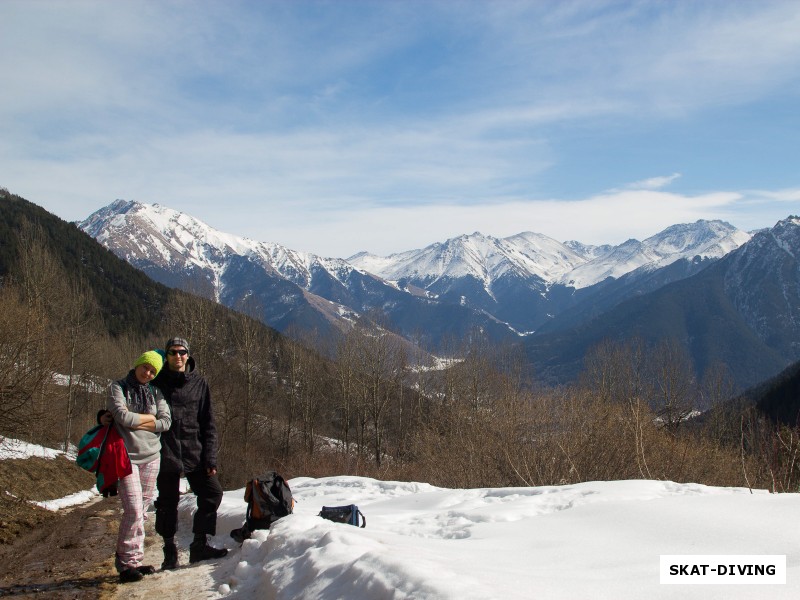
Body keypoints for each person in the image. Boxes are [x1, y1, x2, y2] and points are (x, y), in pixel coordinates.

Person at [152, 337, 228, 569]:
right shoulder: (156, 381)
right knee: (167, 503)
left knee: (212, 493)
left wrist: (210, 457)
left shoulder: (199, 383)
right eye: (173, 352)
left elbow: (208, 423)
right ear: (166, 356)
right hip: (166, 450)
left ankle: (199, 545)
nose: (178, 356)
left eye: (182, 352)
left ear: (188, 355)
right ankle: (169, 550)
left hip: (195, 450)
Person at [105, 350, 172, 583]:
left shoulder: (155, 392)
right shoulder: (118, 387)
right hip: (126, 457)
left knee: (142, 511)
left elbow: (166, 422)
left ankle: (134, 560)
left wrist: (139, 420)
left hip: (152, 456)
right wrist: (150, 421)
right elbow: (122, 417)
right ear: (138, 364)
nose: (148, 373)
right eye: (145, 367)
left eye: (153, 371)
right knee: (133, 509)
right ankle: (125, 563)